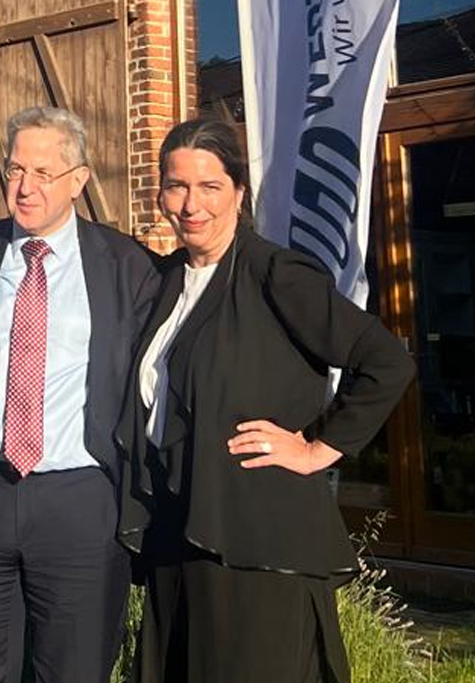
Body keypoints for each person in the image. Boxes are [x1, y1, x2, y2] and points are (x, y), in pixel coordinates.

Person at [117, 118, 415, 683]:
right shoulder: (165, 282)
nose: (191, 205)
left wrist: (317, 447)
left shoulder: (275, 273)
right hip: (178, 532)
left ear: (238, 193)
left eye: (209, 186)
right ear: (160, 194)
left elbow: (385, 362)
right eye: (177, 186)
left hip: (256, 540)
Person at [0, 106, 159, 683]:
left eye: (43, 173)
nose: (24, 186)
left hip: (81, 503)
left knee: (74, 669)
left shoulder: (126, 267)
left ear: (79, 180)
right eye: (16, 169)